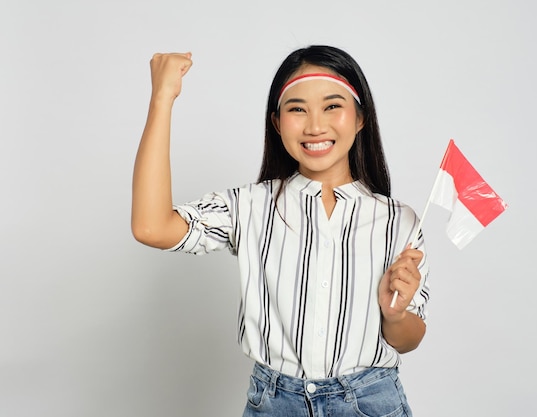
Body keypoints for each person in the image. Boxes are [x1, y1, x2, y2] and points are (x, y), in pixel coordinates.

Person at [132, 45, 430, 417]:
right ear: (276, 122)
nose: (315, 125)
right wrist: (162, 98)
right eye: (297, 109)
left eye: (332, 106)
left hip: (370, 402)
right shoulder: (250, 206)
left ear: (360, 118)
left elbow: (408, 340)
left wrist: (396, 314)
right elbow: (150, 227)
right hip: (275, 403)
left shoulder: (399, 221)